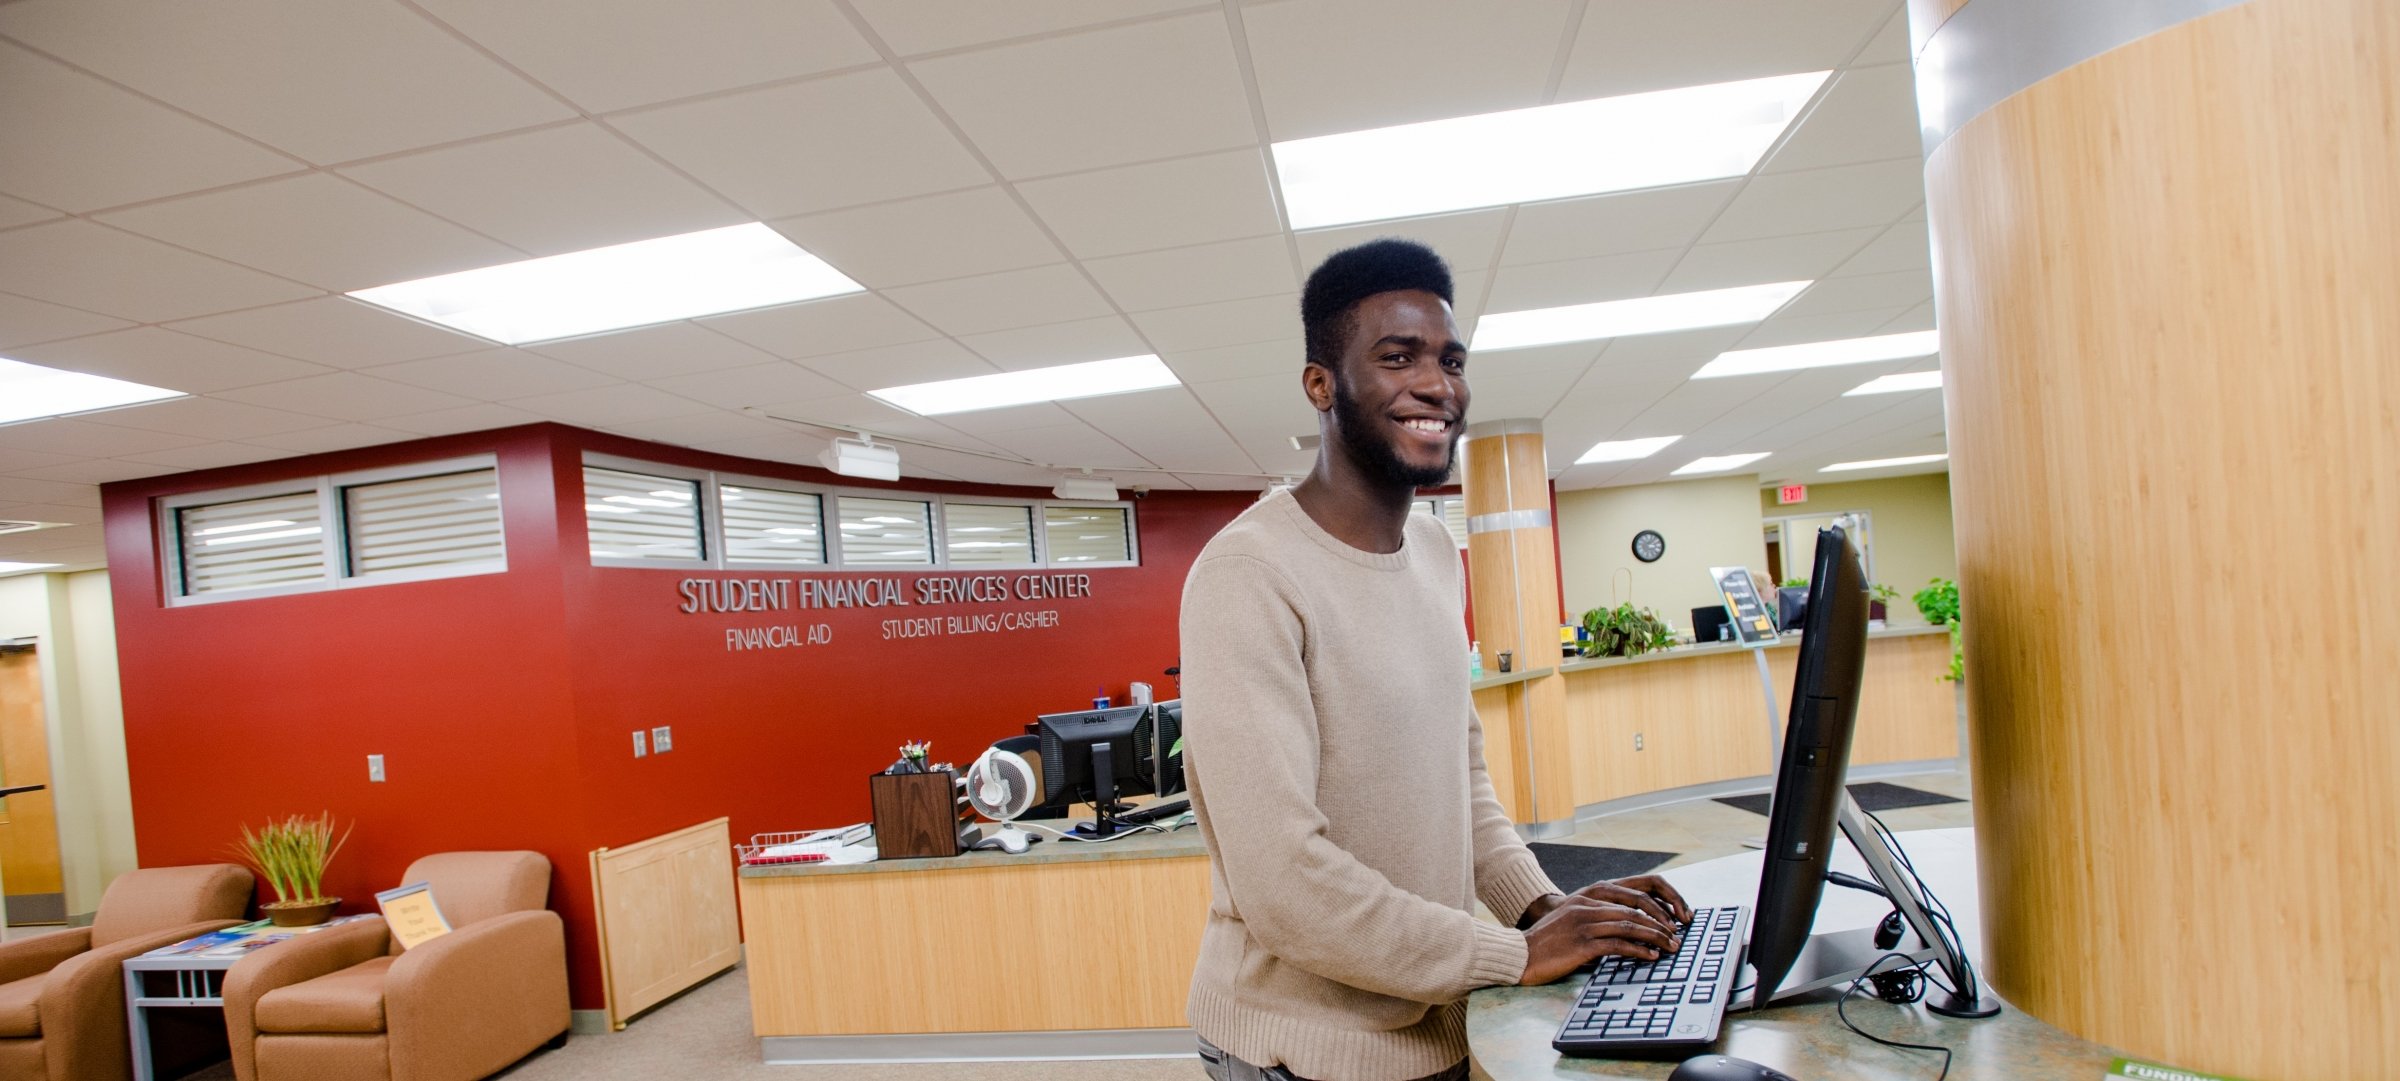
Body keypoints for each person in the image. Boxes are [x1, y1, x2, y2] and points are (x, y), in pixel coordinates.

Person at [1179, 239, 1693, 1081]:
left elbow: (1463, 781)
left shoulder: (1433, 549)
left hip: (1440, 1017)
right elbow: (1285, 884)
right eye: (1398, 357)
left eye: (1451, 359)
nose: (1437, 385)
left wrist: (1546, 909)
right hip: (1303, 1049)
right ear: (1321, 385)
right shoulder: (1248, 575)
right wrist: (1513, 955)